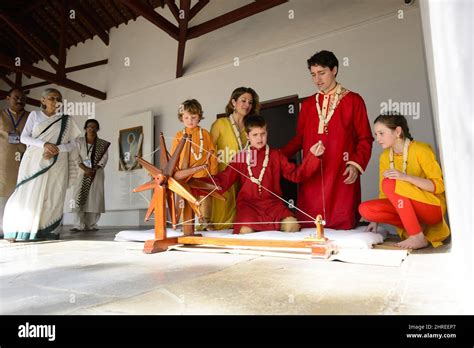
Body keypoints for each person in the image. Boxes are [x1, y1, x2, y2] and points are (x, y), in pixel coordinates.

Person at [281, 50, 373, 230]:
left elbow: (365, 138)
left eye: (322, 73)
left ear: (334, 70)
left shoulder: (354, 100)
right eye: (313, 75)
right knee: (310, 228)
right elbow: (299, 139)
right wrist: (276, 155)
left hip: (341, 172)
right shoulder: (307, 105)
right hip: (312, 173)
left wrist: (355, 164)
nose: (317, 79)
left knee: (343, 227)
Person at [200, 115, 325, 234]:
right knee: (245, 231)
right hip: (248, 206)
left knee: (292, 225)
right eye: (255, 135)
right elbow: (224, 180)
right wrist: (198, 183)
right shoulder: (241, 157)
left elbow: (296, 175)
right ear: (247, 136)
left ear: (267, 133)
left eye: (263, 134)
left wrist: (313, 156)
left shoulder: (276, 155)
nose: (260, 138)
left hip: (273, 205)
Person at [359, 114, 450, 249]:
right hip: (406, 208)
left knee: (389, 183)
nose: (377, 139)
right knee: (366, 210)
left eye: (381, 133)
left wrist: (406, 177)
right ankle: (414, 227)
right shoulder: (385, 156)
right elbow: (384, 193)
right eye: (376, 134)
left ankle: (416, 236)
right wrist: (375, 219)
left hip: (432, 208)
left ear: (397, 131)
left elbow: (439, 186)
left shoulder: (421, 149)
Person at [3, 88, 81, 242]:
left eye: (58, 98)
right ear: (43, 100)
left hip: (58, 162)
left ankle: (45, 231)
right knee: (27, 191)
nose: (56, 101)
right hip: (34, 161)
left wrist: (56, 149)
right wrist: (44, 144)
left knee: (53, 195)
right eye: (51, 98)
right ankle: (20, 229)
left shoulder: (67, 120)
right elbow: (24, 138)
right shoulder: (35, 115)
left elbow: (74, 144)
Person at [210, 87, 260, 230]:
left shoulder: (250, 127)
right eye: (243, 101)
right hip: (222, 177)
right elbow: (209, 151)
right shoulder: (220, 124)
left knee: (239, 220)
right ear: (233, 102)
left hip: (243, 177)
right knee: (221, 220)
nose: (247, 105)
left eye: (250, 102)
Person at [171, 99, 217, 230]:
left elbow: (212, 153)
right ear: (181, 118)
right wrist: (175, 174)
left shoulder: (205, 134)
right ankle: (185, 223)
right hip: (185, 176)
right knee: (185, 199)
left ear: (199, 117)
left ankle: (206, 222)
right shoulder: (179, 135)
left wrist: (213, 174)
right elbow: (174, 156)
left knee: (205, 198)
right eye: (186, 117)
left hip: (203, 175)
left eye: (193, 117)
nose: (190, 120)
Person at [68, 119, 110, 232]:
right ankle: (78, 225)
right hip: (81, 172)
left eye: (94, 127)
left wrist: (94, 169)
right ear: (85, 128)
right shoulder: (78, 141)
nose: (91, 128)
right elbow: (75, 156)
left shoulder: (102, 144)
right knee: (78, 197)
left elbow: (104, 158)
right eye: (89, 126)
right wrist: (85, 168)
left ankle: (91, 225)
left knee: (94, 199)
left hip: (97, 173)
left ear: (98, 129)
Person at [0, 88, 29, 235]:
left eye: (23, 98)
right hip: (3, 161)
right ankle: (2, 228)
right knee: (3, 193)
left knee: (23, 193)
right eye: (16, 97)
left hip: (25, 160)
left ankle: (19, 227)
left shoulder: (30, 117)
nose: (20, 101)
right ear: (7, 98)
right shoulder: (1, 115)